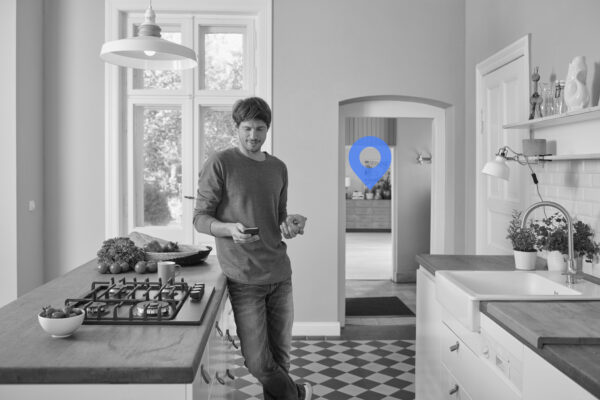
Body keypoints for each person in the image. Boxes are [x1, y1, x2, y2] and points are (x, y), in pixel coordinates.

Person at [193, 97, 311, 400]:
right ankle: (298, 395)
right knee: (259, 362)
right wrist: (229, 229)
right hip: (244, 279)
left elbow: (278, 215)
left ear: (267, 129)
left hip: (280, 275)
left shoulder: (278, 168)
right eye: (247, 128)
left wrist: (292, 223)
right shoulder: (221, 163)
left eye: (260, 129)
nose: (253, 136)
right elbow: (200, 218)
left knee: (281, 358)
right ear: (237, 127)